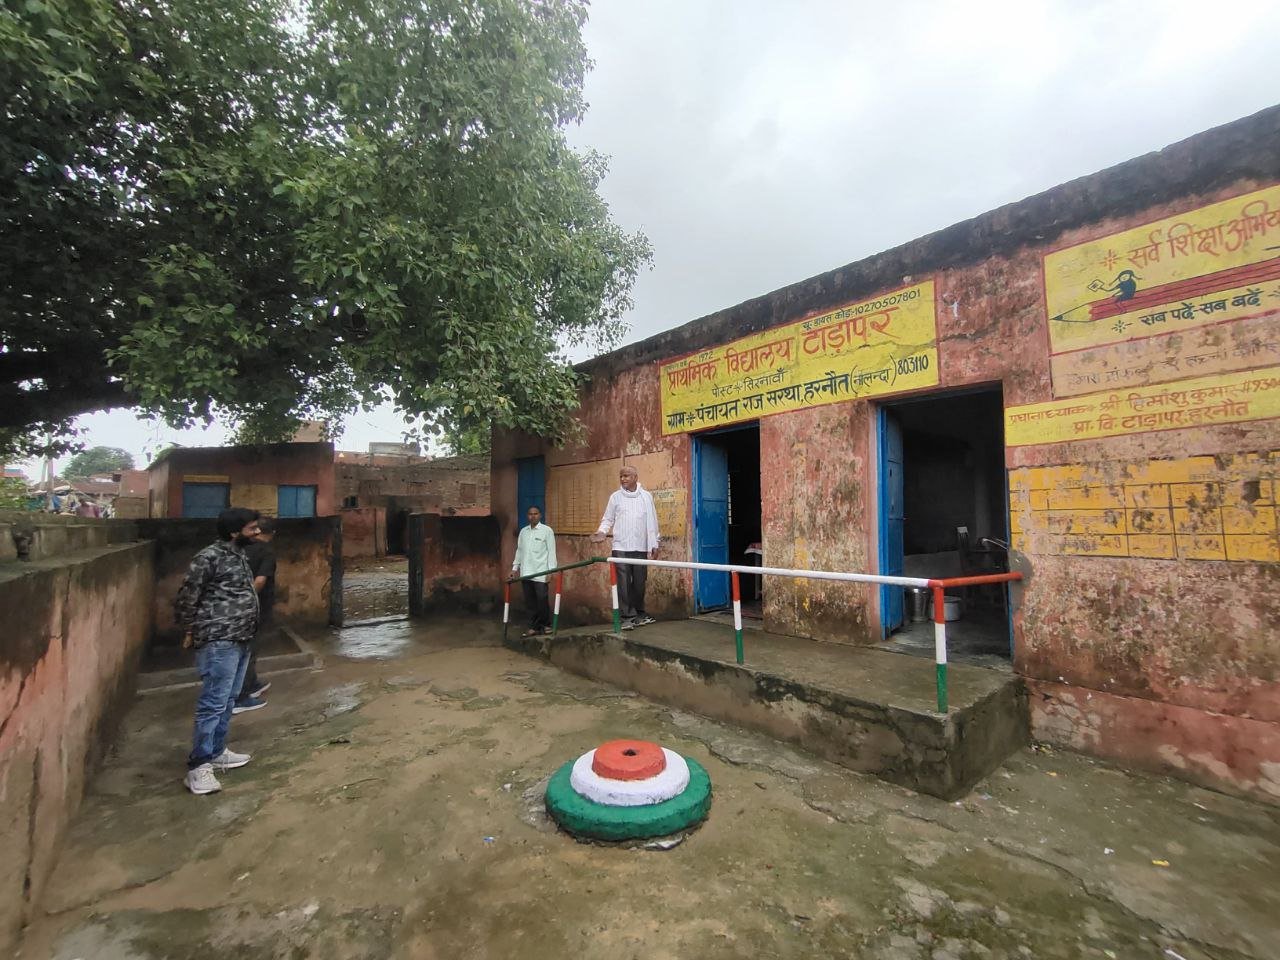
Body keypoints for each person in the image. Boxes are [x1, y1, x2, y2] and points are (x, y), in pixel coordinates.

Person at [175, 507, 261, 795]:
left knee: (228, 699)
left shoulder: (238, 555)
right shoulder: (209, 557)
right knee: (213, 702)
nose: (257, 532)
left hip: (241, 637)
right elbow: (188, 595)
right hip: (219, 638)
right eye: (252, 528)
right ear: (235, 532)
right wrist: (190, 629)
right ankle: (199, 766)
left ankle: (216, 750)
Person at [590, 465, 660, 630]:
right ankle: (627, 616)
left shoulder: (646, 497)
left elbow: (653, 521)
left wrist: (654, 543)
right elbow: (608, 519)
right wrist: (601, 532)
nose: (623, 479)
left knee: (639, 583)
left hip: (641, 547)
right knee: (623, 583)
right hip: (621, 546)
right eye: (621, 476)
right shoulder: (615, 497)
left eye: (626, 476)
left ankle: (640, 614)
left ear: (635, 477)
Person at [233, 516, 277, 714]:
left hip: (235, 608)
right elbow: (260, 582)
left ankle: (251, 684)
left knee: (246, 648)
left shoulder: (239, 549)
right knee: (249, 649)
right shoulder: (266, 552)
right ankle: (241, 695)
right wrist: (247, 601)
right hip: (254, 606)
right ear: (273, 533)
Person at [511, 506, 557, 637]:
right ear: (527, 516)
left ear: (540, 515)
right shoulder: (523, 532)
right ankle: (534, 627)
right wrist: (514, 569)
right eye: (530, 514)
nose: (533, 516)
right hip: (526, 573)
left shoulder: (547, 531)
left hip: (541, 573)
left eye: (535, 514)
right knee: (530, 602)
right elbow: (519, 551)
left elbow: (551, 552)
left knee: (542, 600)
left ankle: (546, 625)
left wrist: (551, 571)